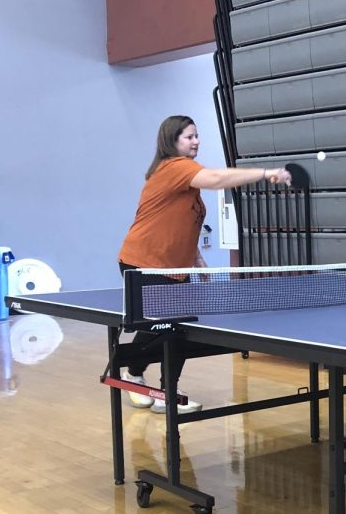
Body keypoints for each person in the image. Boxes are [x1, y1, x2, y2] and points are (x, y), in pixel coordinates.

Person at [117, 115, 292, 413]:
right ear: (172, 141)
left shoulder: (183, 176)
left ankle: (159, 385)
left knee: (178, 325)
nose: (196, 141)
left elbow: (177, 221)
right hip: (144, 261)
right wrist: (265, 173)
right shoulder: (175, 167)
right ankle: (141, 377)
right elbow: (216, 179)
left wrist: (196, 256)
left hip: (175, 266)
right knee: (162, 325)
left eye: (197, 136)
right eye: (189, 137)